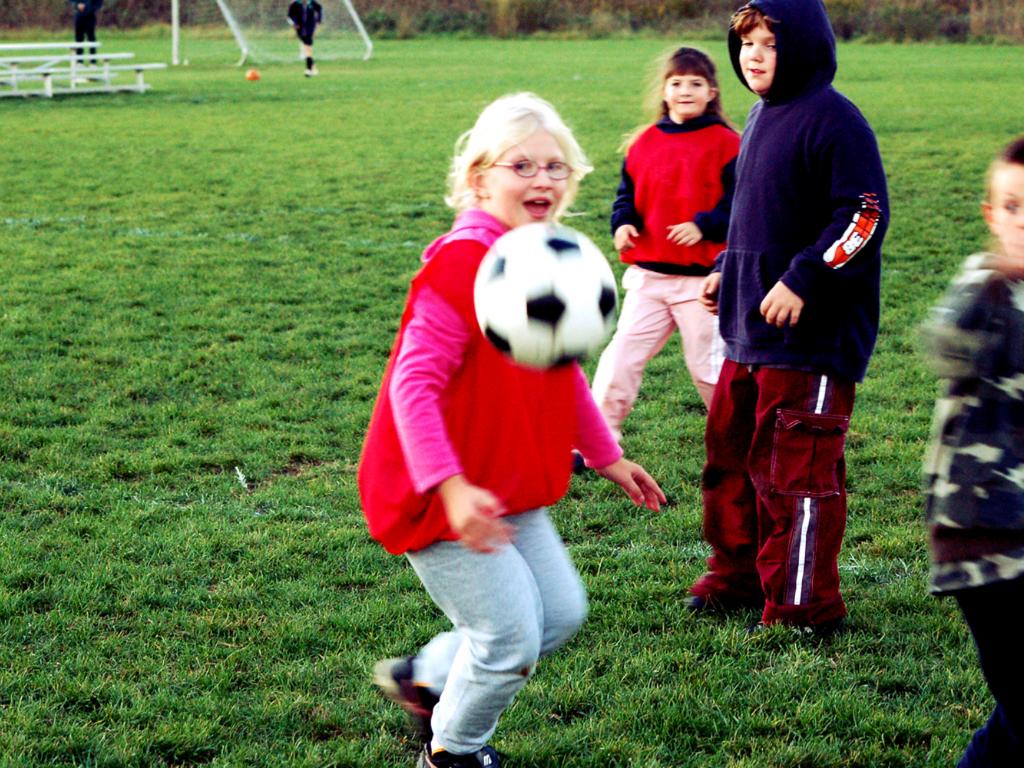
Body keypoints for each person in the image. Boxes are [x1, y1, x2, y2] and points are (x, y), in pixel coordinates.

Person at [358, 92, 665, 768]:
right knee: (508, 640)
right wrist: (453, 487)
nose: (542, 180)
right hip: (442, 492)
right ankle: (453, 753)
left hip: (506, 481)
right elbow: (413, 386)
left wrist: (606, 454)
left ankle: (427, 677)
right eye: (520, 165)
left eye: (556, 167)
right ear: (478, 178)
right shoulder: (461, 263)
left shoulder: (548, 258)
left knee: (557, 614)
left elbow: (562, 372)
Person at [686, 0, 889, 633]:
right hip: (748, 334)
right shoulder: (758, 116)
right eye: (745, 44)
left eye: (770, 44)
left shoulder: (836, 120)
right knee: (730, 466)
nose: (753, 56)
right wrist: (728, 267)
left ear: (802, 48)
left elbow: (863, 217)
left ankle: (804, 606)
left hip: (811, 343)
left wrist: (804, 278)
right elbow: (760, 215)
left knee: (792, 475)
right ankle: (737, 575)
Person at [921, 135, 1024, 768]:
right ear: (992, 216)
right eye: (1012, 207)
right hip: (982, 538)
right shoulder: (986, 289)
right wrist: (992, 286)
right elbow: (945, 343)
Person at [591, 47, 739, 443]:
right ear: (663, 91)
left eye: (695, 83)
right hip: (650, 277)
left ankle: (736, 441)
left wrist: (705, 225)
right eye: (676, 83)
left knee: (707, 369)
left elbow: (742, 204)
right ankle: (598, 440)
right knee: (621, 357)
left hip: (702, 285)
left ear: (712, 92)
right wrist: (622, 223)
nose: (685, 90)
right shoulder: (644, 143)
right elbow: (626, 196)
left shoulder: (728, 144)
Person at [288, 0, 322, 77]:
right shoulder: (295, 4)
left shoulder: (312, 3)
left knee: (307, 48)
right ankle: (314, 68)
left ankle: (308, 69)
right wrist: (294, 24)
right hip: (300, 30)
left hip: (310, 29)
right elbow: (289, 16)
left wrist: (318, 21)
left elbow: (319, 9)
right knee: (307, 49)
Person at [69, 0, 103, 66]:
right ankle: (79, 61)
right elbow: (72, 1)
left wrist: (89, 8)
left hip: (90, 17)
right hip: (79, 17)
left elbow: (99, 3)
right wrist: (77, 5)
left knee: (91, 39)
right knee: (79, 40)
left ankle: (93, 62)